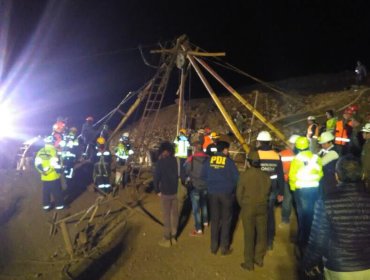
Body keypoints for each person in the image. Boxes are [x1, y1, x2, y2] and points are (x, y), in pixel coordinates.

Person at [303, 155, 370, 280]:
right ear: (362, 175)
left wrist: (308, 264)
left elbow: (318, 241)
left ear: (337, 176)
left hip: (339, 269)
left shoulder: (326, 202)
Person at [202, 140, 239, 255]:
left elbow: (203, 176)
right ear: (224, 150)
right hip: (226, 194)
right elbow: (237, 178)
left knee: (215, 220)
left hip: (212, 194)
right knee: (226, 221)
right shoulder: (229, 162)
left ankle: (213, 247)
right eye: (227, 149)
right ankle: (224, 247)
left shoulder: (209, 161)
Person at [237, 150, 271, 271]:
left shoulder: (244, 176)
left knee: (249, 235)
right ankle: (259, 259)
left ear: (249, 162)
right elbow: (268, 192)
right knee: (262, 234)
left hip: (248, 207)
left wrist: (244, 205)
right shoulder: (266, 176)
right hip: (262, 207)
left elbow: (239, 194)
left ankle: (248, 263)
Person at [289, 136, 323, 254]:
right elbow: (320, 173)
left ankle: (303, 242)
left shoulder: (297, 159)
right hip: (314, 189)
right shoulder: (316, 157)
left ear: (297, 147)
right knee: (312, 214)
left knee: (303, 216)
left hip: (301, 190)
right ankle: (310, 239)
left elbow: (292, 176)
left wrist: (293, 190)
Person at [256, 130, 284, 250]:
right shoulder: (276, 155)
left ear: (259, 142)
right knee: (270, 214)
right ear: (269, 142)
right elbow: (280, 176)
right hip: (272, 188)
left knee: (259, 214)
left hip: (259, 189)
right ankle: (269, 241)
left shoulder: (255, 155)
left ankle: (259, 239)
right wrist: (281, 192)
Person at [154, 141, 179, 248]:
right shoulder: (176, 160)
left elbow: (156, 178)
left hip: (165, 192)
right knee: (175, 215)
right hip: (176, 191)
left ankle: (167, 238)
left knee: (166, 216)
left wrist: (157, 191)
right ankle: (174, 236)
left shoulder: (160, 163)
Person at [184, 142, 209, 236]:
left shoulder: (191, 158)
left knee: (196, 208)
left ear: (195, 149)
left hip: (195, 185)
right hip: (206, 184)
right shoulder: (208, 158)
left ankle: (198, 229)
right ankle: (205, 222)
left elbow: (187, 170)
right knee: (204, 203)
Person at [34, 136, 64, 211]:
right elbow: (54, 163)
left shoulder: (40, 151)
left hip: (44, 176)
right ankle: (59, 205)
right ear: (52, 142)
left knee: (46, 192)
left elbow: (37, 163)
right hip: (53, 176)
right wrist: (61, 169)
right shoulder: (53, 151)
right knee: (57, 191)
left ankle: (46, 206)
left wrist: (43, 171)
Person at [279, 134, 299, 225]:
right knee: (292, 200)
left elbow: (278, 168)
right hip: (296, 181)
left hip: (286, 180)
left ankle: (285, 219)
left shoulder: (281, 153)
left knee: (287, 200)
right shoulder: (299, 155)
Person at [318, 131, 339, 197]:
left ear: (330, 142)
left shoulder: (333, 152)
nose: (322, 145)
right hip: (324, 178)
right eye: (321, 143)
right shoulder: (323, 150)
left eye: (324, 143)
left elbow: (320, 162)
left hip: (330, 180)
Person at [361, 123, 370, 190]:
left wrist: (364, 173)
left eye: (364, 132)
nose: (362, 134)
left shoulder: (368, 145)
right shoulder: (367, 143)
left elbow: (367, 160)